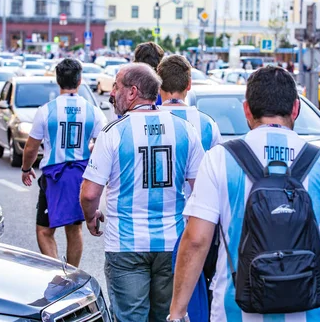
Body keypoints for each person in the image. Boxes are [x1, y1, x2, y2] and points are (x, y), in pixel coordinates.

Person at [169, 66, 320, 322]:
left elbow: (196, 241)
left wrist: (177, 312)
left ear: (247, 110)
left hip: (234, 311)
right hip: (309, 312)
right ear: (296, 109)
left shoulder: (220, 159)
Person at [80, 63, 205, 322]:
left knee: (130, 318)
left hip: (126, 244)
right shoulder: (184, 130)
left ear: (132, 92)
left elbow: (90, 194)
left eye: (116, 86)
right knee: (166, 316)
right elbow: (201, 190)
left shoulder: (114, 132)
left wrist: (90, 216)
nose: (111, 93)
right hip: (172, 242)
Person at [21, 58, 107, 267]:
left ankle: (55, 271)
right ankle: (72, 272)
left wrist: (26, 168)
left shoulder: (46, 111)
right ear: (79, 81)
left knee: (44, 229)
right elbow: (103, 144)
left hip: (55, 176)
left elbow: (31, 147)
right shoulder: (93, 111)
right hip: (80, 175)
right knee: (74, 228)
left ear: (58, 81)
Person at [157, 54, 222, 321]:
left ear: (158, 86)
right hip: (199, 224)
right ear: (189, 84)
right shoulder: (208, 124)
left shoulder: (146, 121)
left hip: (158, 225)